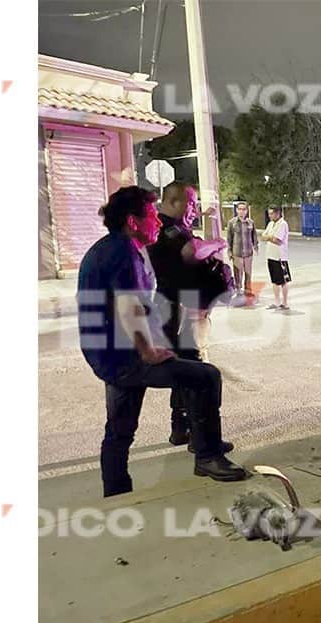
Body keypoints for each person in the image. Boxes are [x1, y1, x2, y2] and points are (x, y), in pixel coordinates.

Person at [76, 186, 247, 497]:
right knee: (205, 376)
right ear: (133, 221)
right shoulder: (123, 252)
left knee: (120, 429)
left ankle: (116, 492)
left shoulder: (113, 246)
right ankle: (208, 456)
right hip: (125, 356)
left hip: (107, 354)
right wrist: (148, 350)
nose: (157, 221)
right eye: (152, 216)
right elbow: (130, 307)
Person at [148, 181, 234, 452]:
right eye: (191, 204)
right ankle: (203, 442)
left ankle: (181, 428)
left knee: (184, 370)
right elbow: (192, 251)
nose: (194, 210)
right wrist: (217, 243)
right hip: (178, 311)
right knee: (199, 373)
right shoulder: (167, 228)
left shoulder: (171, 228)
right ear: (174, 202)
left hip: (175, 308)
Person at [261, 206, 292, 310]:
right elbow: (263, 236)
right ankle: (276, 302)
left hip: (280, 257)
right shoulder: (270, 224)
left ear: (278, 213)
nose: (270, 216)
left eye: (271, 214)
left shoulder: (283, 224)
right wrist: (270, 237)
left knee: (283, 281)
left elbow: (277, 240)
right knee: (274, 280)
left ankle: (285, 302)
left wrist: (269, 237)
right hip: (270, 255)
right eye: (269, 214)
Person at [226, 201, 258, 300]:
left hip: (248, 253)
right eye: (239, 209)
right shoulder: (232, 223)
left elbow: (254, 236)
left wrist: (256, 246)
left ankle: (248, 291)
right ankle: (238, 291)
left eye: (243, 209)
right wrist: (229, 252)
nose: (241, 211)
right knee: (237, 273)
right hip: (237, 252)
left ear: (247, 211)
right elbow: (229, 238)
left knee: (248, 273)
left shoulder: (250, 222)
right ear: (236, 210)